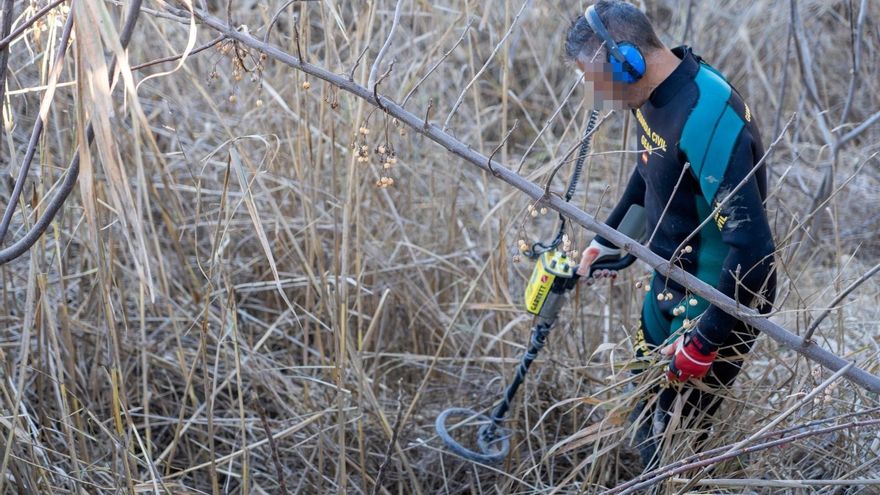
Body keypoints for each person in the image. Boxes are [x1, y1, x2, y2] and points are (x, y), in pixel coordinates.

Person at [565, 0, 777, 470]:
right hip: (666, 287)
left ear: (627, 61)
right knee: (643, 413)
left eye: (594, 79)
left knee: (677, 441)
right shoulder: (650, 97)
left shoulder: (706, 116)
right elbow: (651, 175)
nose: (596, 95)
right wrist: (610, 240)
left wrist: (705, 341)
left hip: (719, 300)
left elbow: (755, 253)